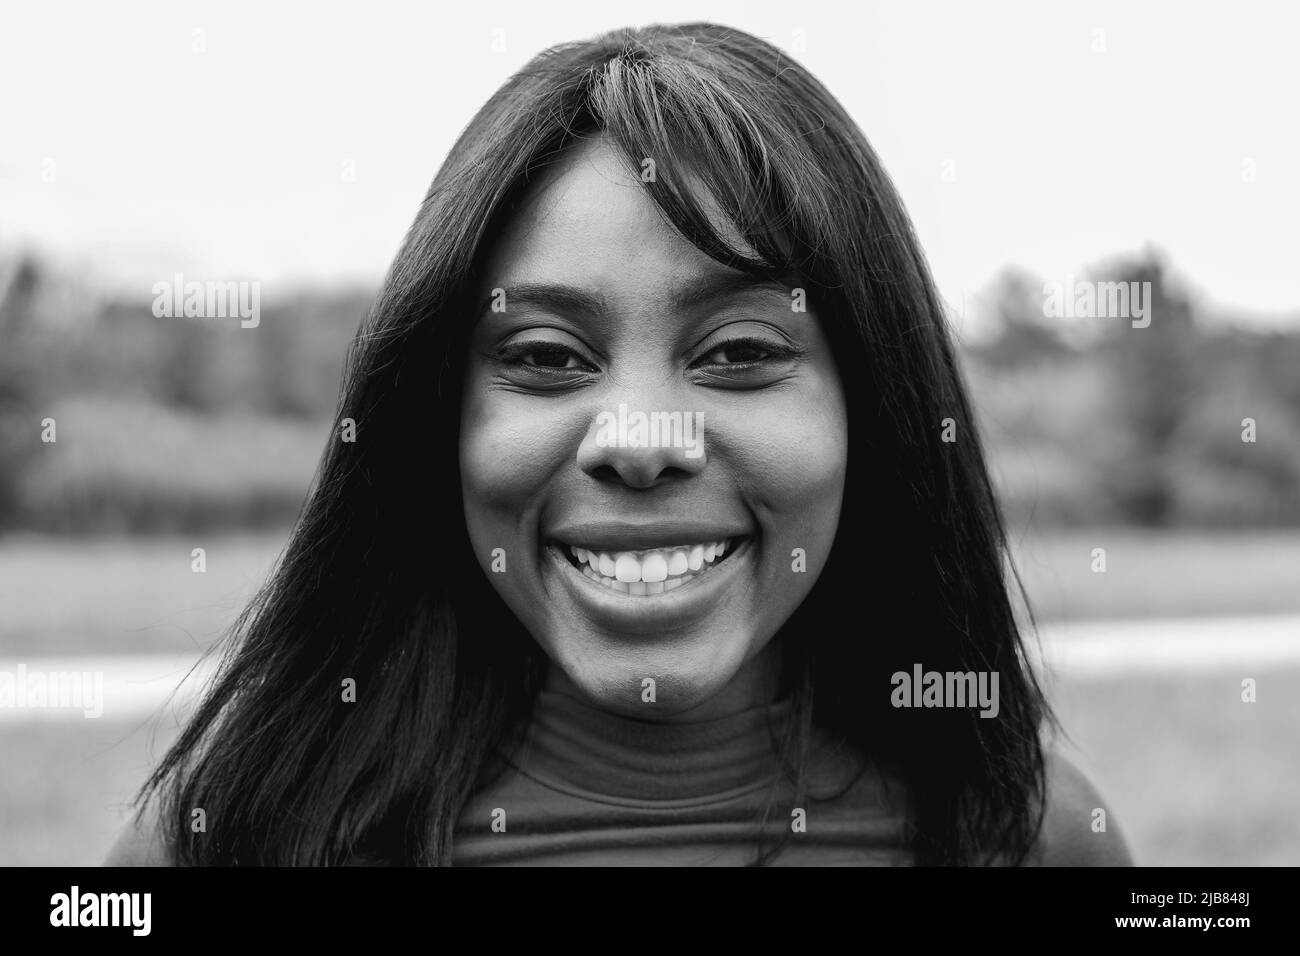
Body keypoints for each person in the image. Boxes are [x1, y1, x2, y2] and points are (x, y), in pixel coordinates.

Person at [107, 22, 1133, 866]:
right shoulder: (233, 835)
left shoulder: (1026, 835)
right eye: (548, 358)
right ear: (437, 422)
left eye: (737, 350)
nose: (640, 442)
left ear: (876, 408)